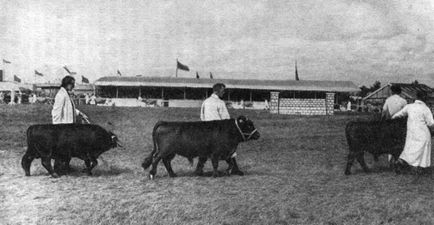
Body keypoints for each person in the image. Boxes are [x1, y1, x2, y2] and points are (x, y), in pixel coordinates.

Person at [200, 83, 243, 175]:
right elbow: (226, 119)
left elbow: (202, 116)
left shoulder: (205, 102)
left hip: (207, 130)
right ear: (217, 91)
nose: (224, 93)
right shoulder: (220, 103)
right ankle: (234, 167)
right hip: (219, 131)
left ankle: (199, 168)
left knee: (205, 149)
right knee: (229, 148)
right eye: (223, 91)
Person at [392, 91, 434, 174]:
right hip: (423, 132)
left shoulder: (409, 106)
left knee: (410, 148)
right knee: (423, 148)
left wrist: (392, 120)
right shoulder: (425, 108)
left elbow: (397, 115)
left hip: (411, 132)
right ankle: (419, 167)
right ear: (424, 98)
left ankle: (402, 161)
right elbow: (431, 123)